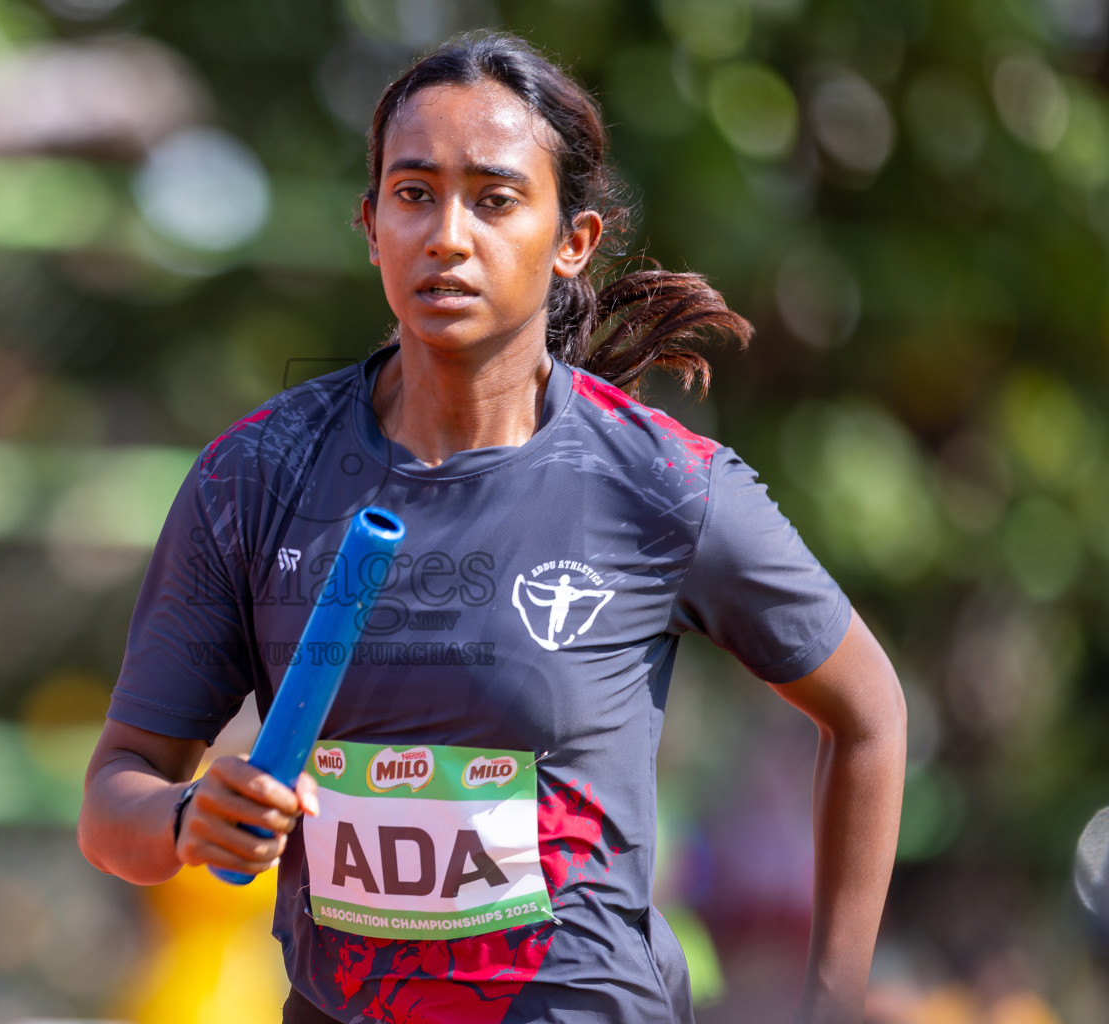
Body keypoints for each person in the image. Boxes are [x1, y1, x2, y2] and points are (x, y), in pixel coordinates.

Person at [79, 31, 906, 1024]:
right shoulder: (255, 477)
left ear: (573, 241)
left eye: (495, 199)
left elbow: (869, 714)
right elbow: (114, 800)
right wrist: (185, 816)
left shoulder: (661, 484)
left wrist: (833, 1006)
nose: (448, 235)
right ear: (371, 224)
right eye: (414, 193)